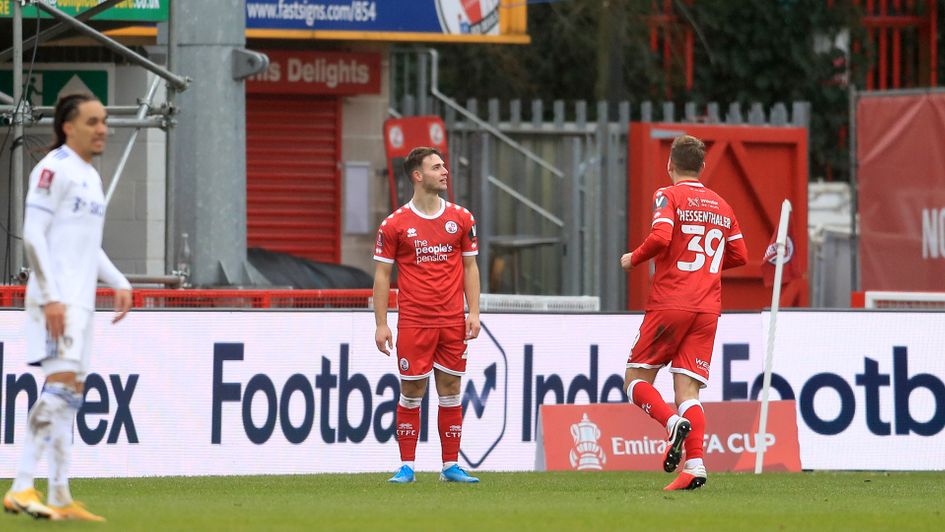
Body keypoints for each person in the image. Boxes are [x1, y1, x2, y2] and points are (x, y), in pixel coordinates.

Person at [3, 94, 132, 521]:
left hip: (80, 301)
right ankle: (21, 486)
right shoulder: (52, 169)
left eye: (104, 121)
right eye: (93, 121)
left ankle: (59, 492)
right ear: (67, 127)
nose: (103, 129)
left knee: (70, 396)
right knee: (59, 388)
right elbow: (33, 234)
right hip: (53, 299)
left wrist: (118, 281)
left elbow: (87, 244)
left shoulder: (91, 178)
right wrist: (52, 294)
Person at [620, 134, 748, 491]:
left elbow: (661, 237)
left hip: (670, 302)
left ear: (670, 165)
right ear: (703, 166)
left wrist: (633, 258)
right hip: (708, 308)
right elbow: (740, 255)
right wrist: (704, 269)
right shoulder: (722, 205)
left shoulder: (669, 194)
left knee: (635, 381)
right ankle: (695, 465)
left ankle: (670, 423)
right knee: (688, 390)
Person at [373, 146, 481, 484]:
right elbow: (381, 276)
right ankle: (407, 465)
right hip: (414, 322)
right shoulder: (395, 225)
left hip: (451, 320)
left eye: (444, 166)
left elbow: (470, 266)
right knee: (412, 389)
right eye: (436, 167)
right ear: (418, 176)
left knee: (450, 388)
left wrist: (474, 311)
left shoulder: (462, 218)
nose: (444, 171)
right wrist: (381, 324)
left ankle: (450, 466)